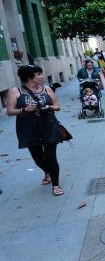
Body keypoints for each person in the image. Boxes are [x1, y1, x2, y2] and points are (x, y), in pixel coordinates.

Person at [6, 65, 65, 196]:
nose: (42, 76)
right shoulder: (15, 91)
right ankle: (48, 172)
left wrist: (49, 106)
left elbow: (57, 106)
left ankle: (56, 185)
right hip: (28, 129)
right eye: (39, 74)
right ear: (29, 77)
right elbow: (9, 111)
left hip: (49, 126)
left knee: (51, 156)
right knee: (38, 158)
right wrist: (24, 110)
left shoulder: (47, 89)